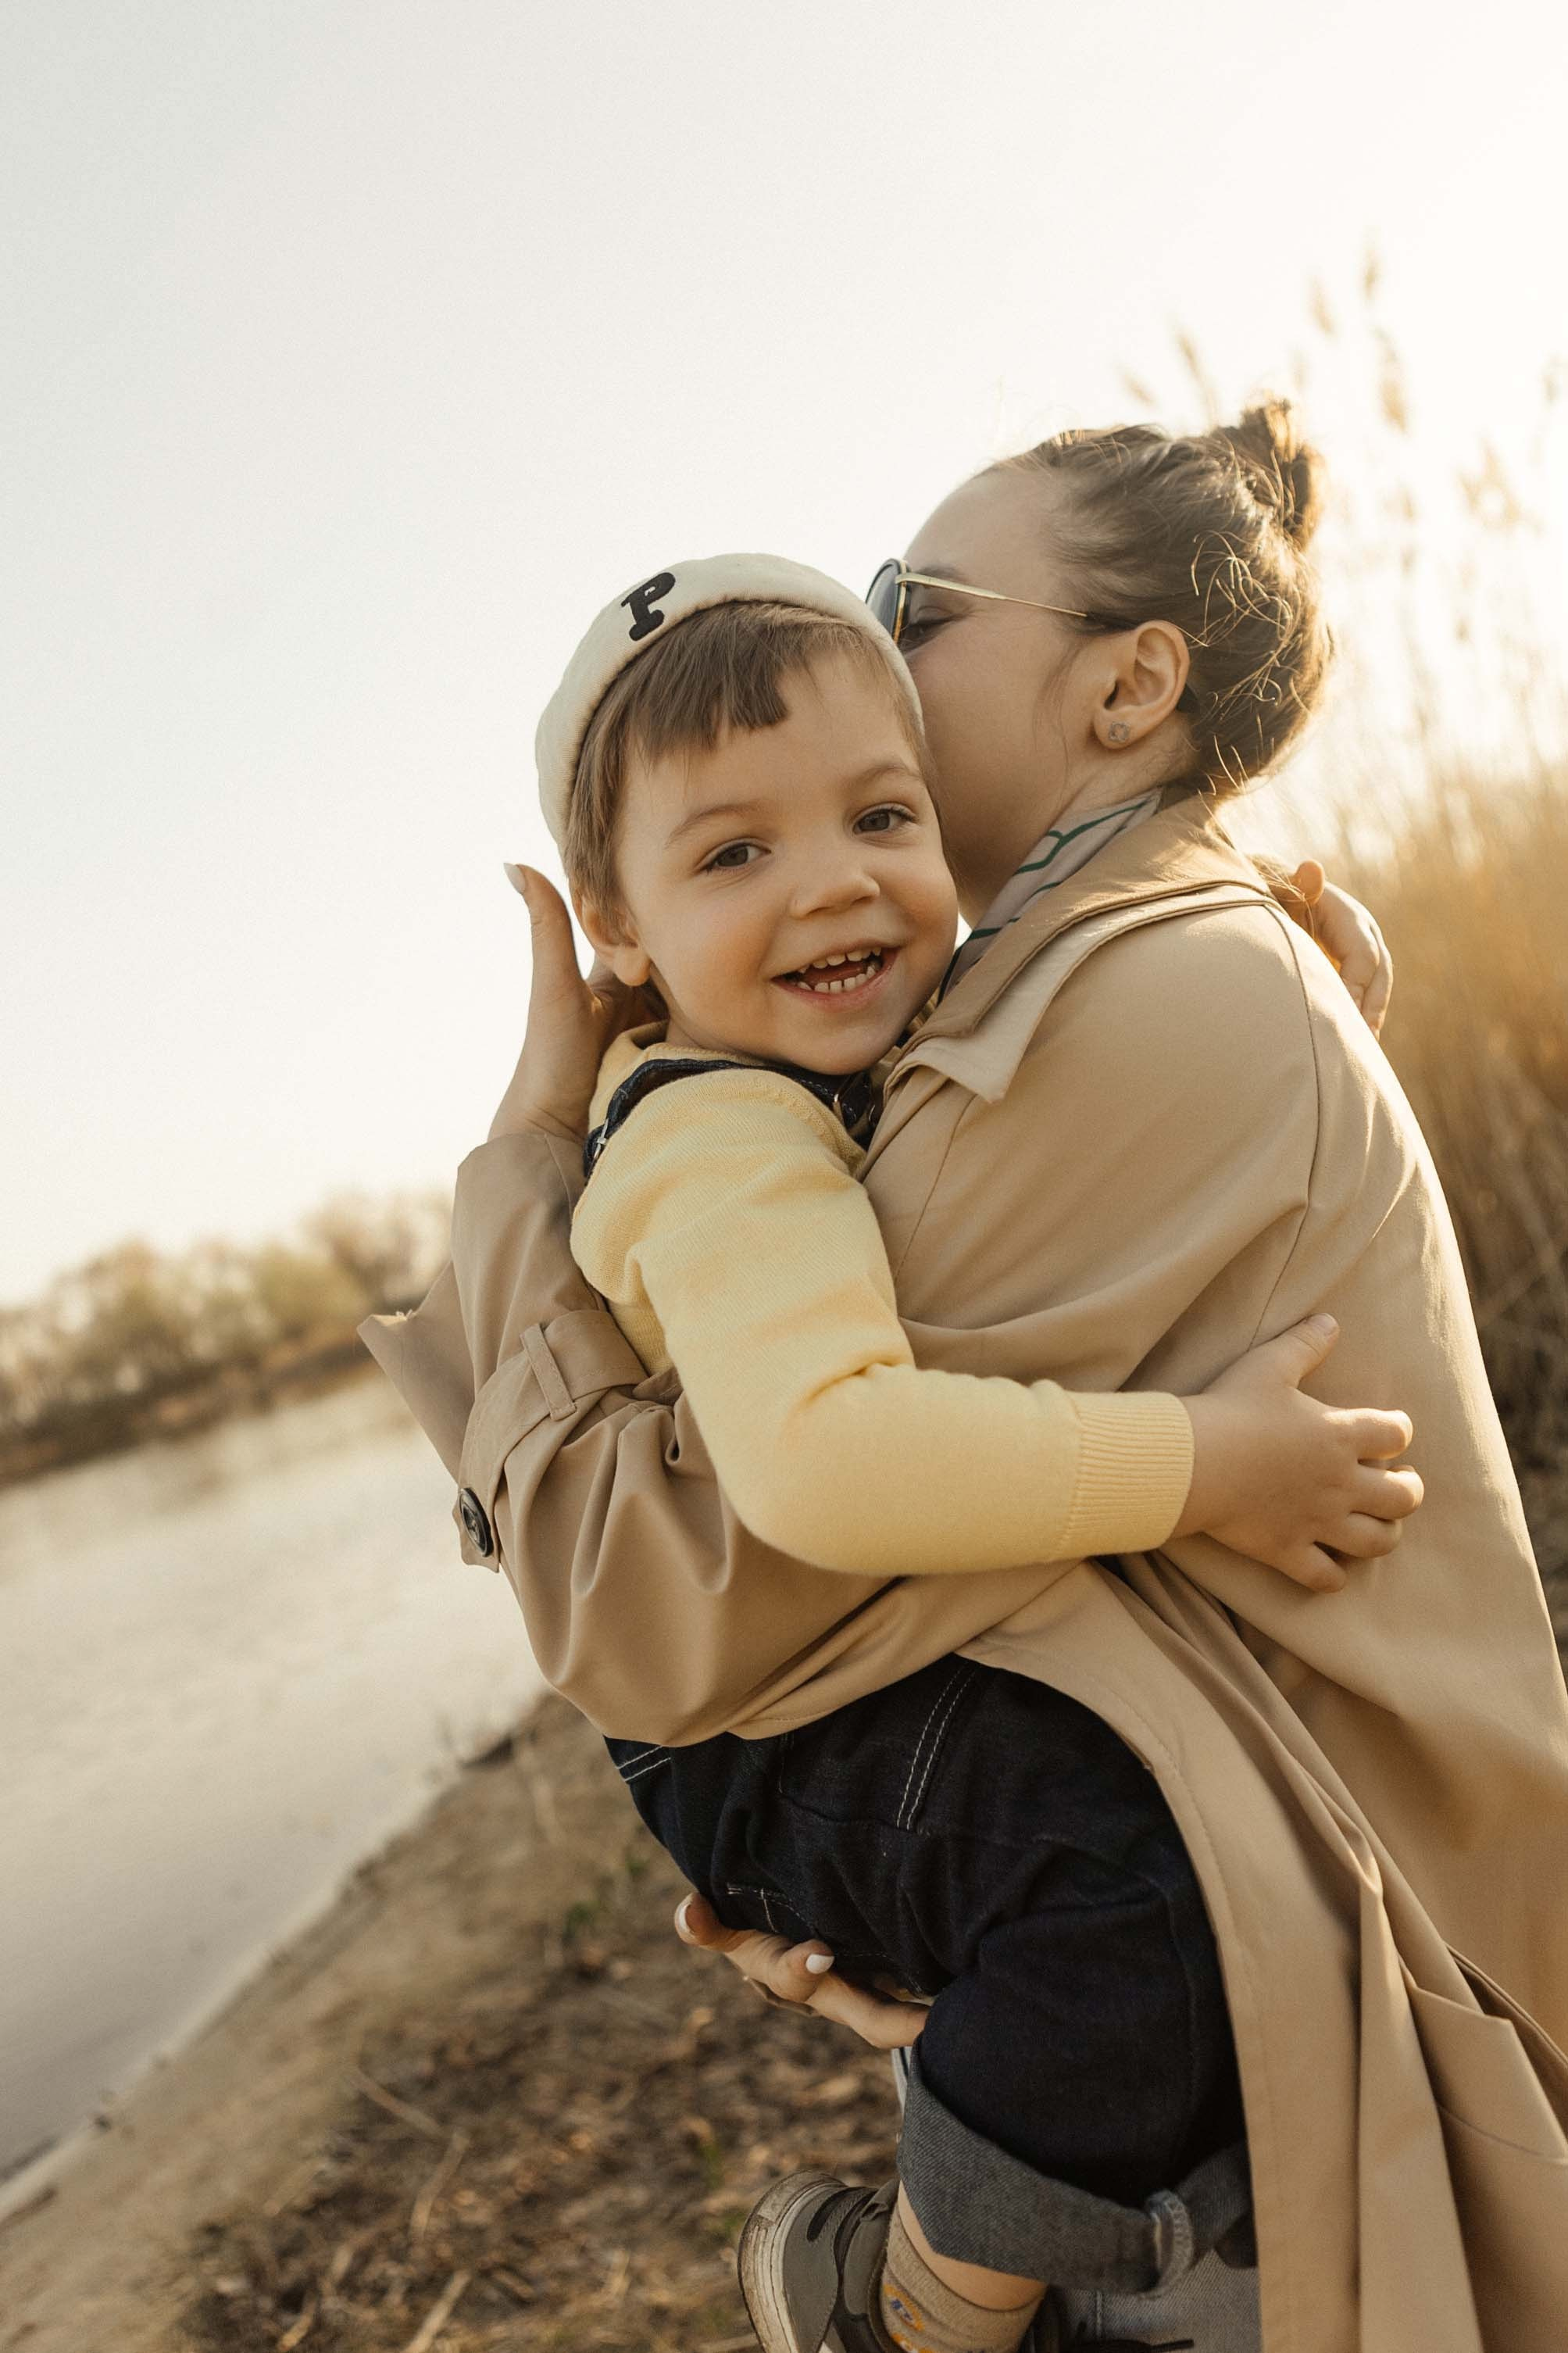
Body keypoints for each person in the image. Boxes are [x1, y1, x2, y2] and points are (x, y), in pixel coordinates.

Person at [362, 402, 1568, 2352]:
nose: (872, 637)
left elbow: (636, 1589)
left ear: (1126, 687)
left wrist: (520, 1165)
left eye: (910, 603)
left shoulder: (1131, 996)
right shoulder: (1057, 985)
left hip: (1320, 2016)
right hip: (1266, 1975)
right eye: (735, 841)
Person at [511, 558, 1420, 2353]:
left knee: (1175, 1887)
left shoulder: (837, 1054)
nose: (831, 879)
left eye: (880, 814)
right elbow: (828, 1461)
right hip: (767, 1721)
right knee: (1129, 1905)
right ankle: (913, 2304)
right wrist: (1205, 1465)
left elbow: (1049, 1177)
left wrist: (1292, 1015)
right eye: (732, 852)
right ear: (613, 928)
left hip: (845, 1659)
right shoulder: (716, 1144)